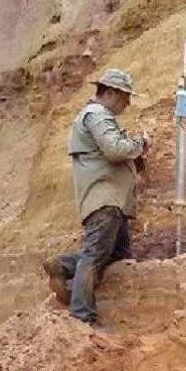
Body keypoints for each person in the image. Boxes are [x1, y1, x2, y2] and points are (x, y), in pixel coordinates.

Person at [43, 68, 149, 325]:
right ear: (110, 92)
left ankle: (65, 266)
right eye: (125, 96)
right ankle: (82, 316)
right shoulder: (97, 115)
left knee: (117, 256)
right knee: (93, 255)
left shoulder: (94, 117)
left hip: (112, 202)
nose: (128, 103)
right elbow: (114, 149)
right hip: (105, 200)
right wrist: (141, 143)